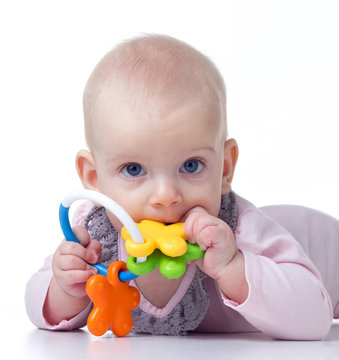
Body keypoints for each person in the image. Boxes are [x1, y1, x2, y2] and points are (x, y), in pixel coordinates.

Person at [25, 34, 339, 339]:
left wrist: (233, 266)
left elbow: (314, 318)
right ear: (94, 178)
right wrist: (65, 287)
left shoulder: (240, 228)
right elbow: (36, 306)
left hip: (325, 250)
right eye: (133, 169)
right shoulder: (92, 237)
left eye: (190, 166)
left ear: (225, 168)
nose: (165, 197)